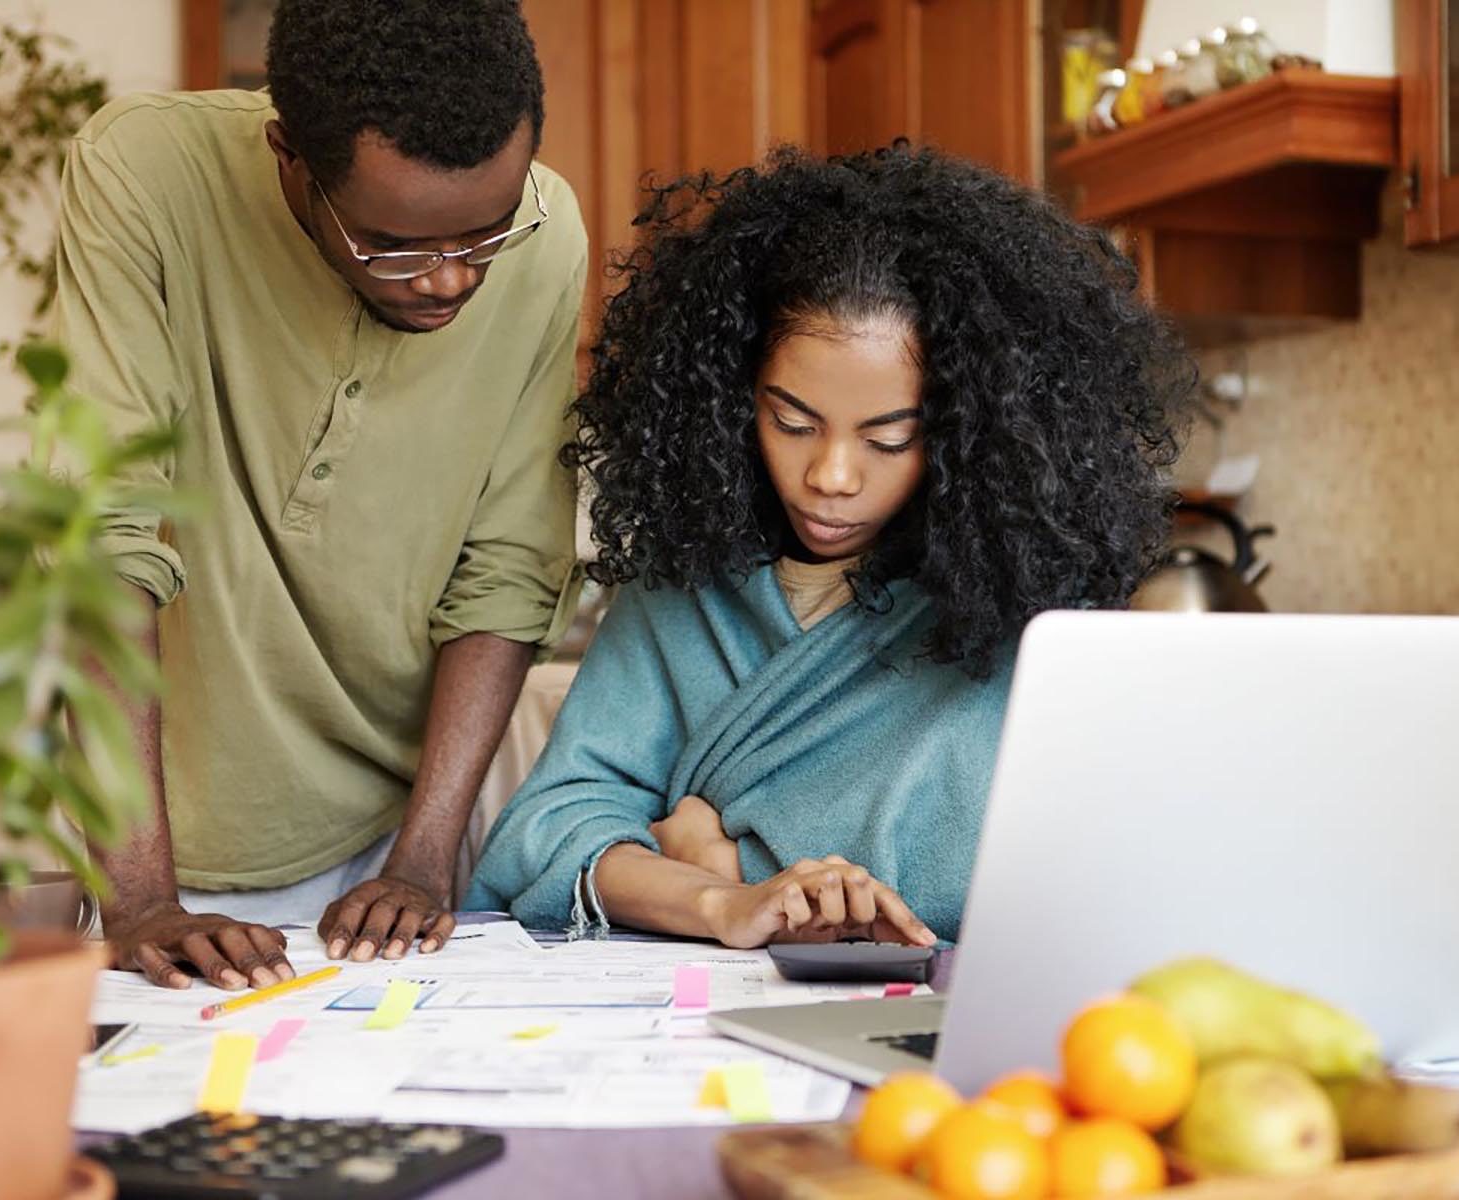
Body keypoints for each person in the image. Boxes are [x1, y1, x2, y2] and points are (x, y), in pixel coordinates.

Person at [465, 144, 1193, 945]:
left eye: (888, 439)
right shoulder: (685, 580)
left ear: (966, 434)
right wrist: (714, 899)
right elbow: (547, 826)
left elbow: (1030, 864)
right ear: (731, 400)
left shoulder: (1020, 603)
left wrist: (728, 855)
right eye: (792, 422)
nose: (832, 476)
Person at [54, 0, 586, 990]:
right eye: (393, 244)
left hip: (395, 846)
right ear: (288, 156)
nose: (448, 282)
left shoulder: (548, 241)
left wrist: (424, 863)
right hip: (156, 841)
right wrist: (138, 899)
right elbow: (102, 532)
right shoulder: (146, 173)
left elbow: (510, 567)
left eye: (485, 234)